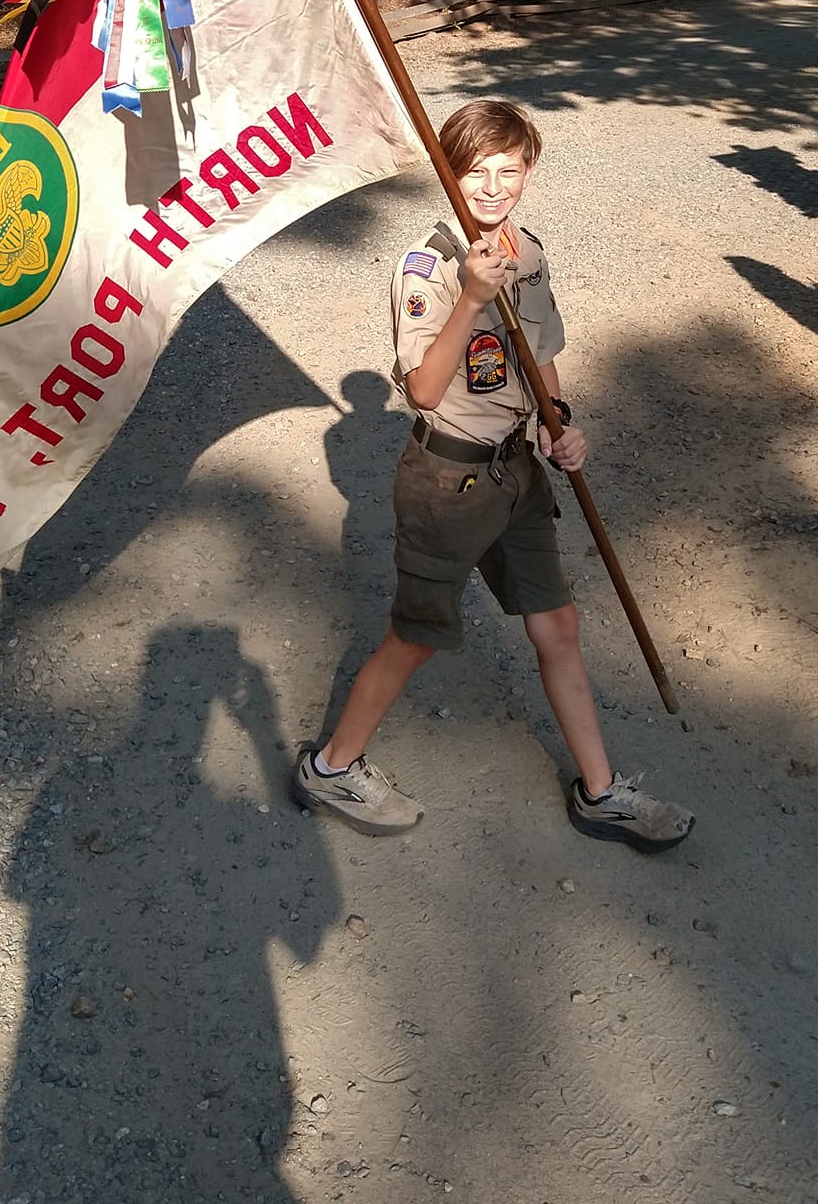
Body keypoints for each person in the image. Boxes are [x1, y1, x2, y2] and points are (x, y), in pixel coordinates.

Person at [293, 98, 692, 853]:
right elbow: (424, 390)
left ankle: (600, 792)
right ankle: (331, 767)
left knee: (559, 625)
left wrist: (558, 421)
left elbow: (540, 350)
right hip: (447, 481)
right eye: (475, 172)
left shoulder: (526, 249)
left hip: (516, 473)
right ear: (448, 171)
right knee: (416, 635)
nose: (492, 187)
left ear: (529, 171)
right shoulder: (427, 264)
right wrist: (473, 298)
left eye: (509, 171)